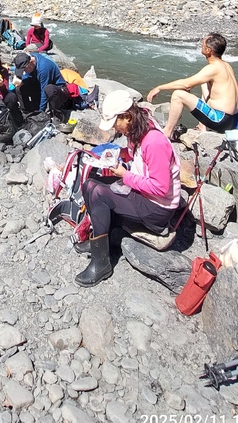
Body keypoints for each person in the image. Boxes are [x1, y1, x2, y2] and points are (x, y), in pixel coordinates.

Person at [75, 90, 181, 288]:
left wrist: (126, 176)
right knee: (90, 182)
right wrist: (117, 154)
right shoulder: (137, 129)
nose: (116, 129)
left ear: (127, 116)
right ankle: (99, 242)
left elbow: (161, 187)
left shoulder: (154, 141)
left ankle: (101, 263)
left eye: (116, 123)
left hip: (157, 208)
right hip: (144, 195)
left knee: (98, 193)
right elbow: (136, 157)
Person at [146, 33, 238, 138]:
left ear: (209, 50)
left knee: (178, 94)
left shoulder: (213, 68)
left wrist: (159, 87)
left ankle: (167, 132)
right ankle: (202, 126)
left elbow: (186, 85)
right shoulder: (226, 66)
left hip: (219, 119)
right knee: (204, 83)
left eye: (203, 45)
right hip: (231, 120)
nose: (201, 46)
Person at [12, 50, 72, 120]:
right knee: (20, 87)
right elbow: (29, 74)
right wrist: (21, 81)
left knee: (49, 89)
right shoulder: (31, 57)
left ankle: (57, 115)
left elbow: (43, 92)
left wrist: (40, 112)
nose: (24, 72)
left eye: (24, 69)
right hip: (40, 83)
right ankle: (27, 112)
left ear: (30, 63)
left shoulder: (44, 68)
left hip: (58, 92)